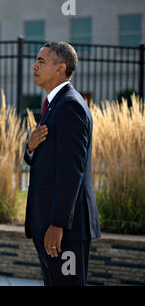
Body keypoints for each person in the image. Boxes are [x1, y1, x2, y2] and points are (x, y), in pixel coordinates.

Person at [24, 42, 101, 286]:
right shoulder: (53, 105)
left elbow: (72, 172)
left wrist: (58, 224)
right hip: (48, 226)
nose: (34, 66)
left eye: (42, 61)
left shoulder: (70, 106)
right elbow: (49, 160)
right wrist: (29, 148)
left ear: (61, 68)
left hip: (65, 230)